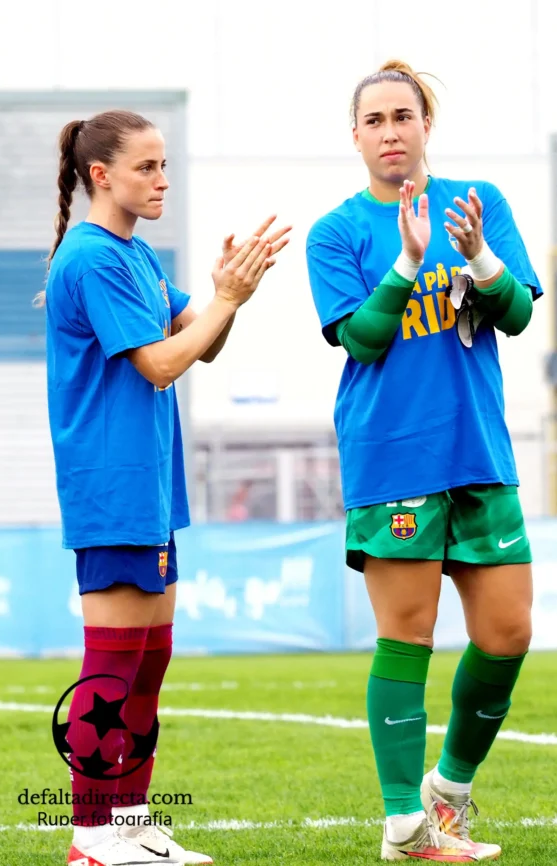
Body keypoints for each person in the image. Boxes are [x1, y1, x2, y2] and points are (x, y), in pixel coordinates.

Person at [43, 109, 290, 866]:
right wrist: (223, 302)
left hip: (149, 486)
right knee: (113, 663)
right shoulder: (90, 258)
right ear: (100, 176)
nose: (162, 180)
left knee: (149, 659)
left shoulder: (136, 256)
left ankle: (131, 821)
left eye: (163, 165)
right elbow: (158, 363)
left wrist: (226, 296)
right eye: (147, 167)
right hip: (110, 484)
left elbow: (200, 347)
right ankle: (91, 832)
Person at [306, 60, 538, 862]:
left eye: (402, 116)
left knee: (507, 633)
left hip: (478, 450)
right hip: (392, 456)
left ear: (425, 125)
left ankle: (449, 791)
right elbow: (363, 339)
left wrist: (476, 255)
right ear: (356, 136)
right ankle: (404, 824)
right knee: (406, 635)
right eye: (373, 120)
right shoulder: (336, 232)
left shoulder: (478, 205)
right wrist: (405, 263)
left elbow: (511, 315)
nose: (389, 132)